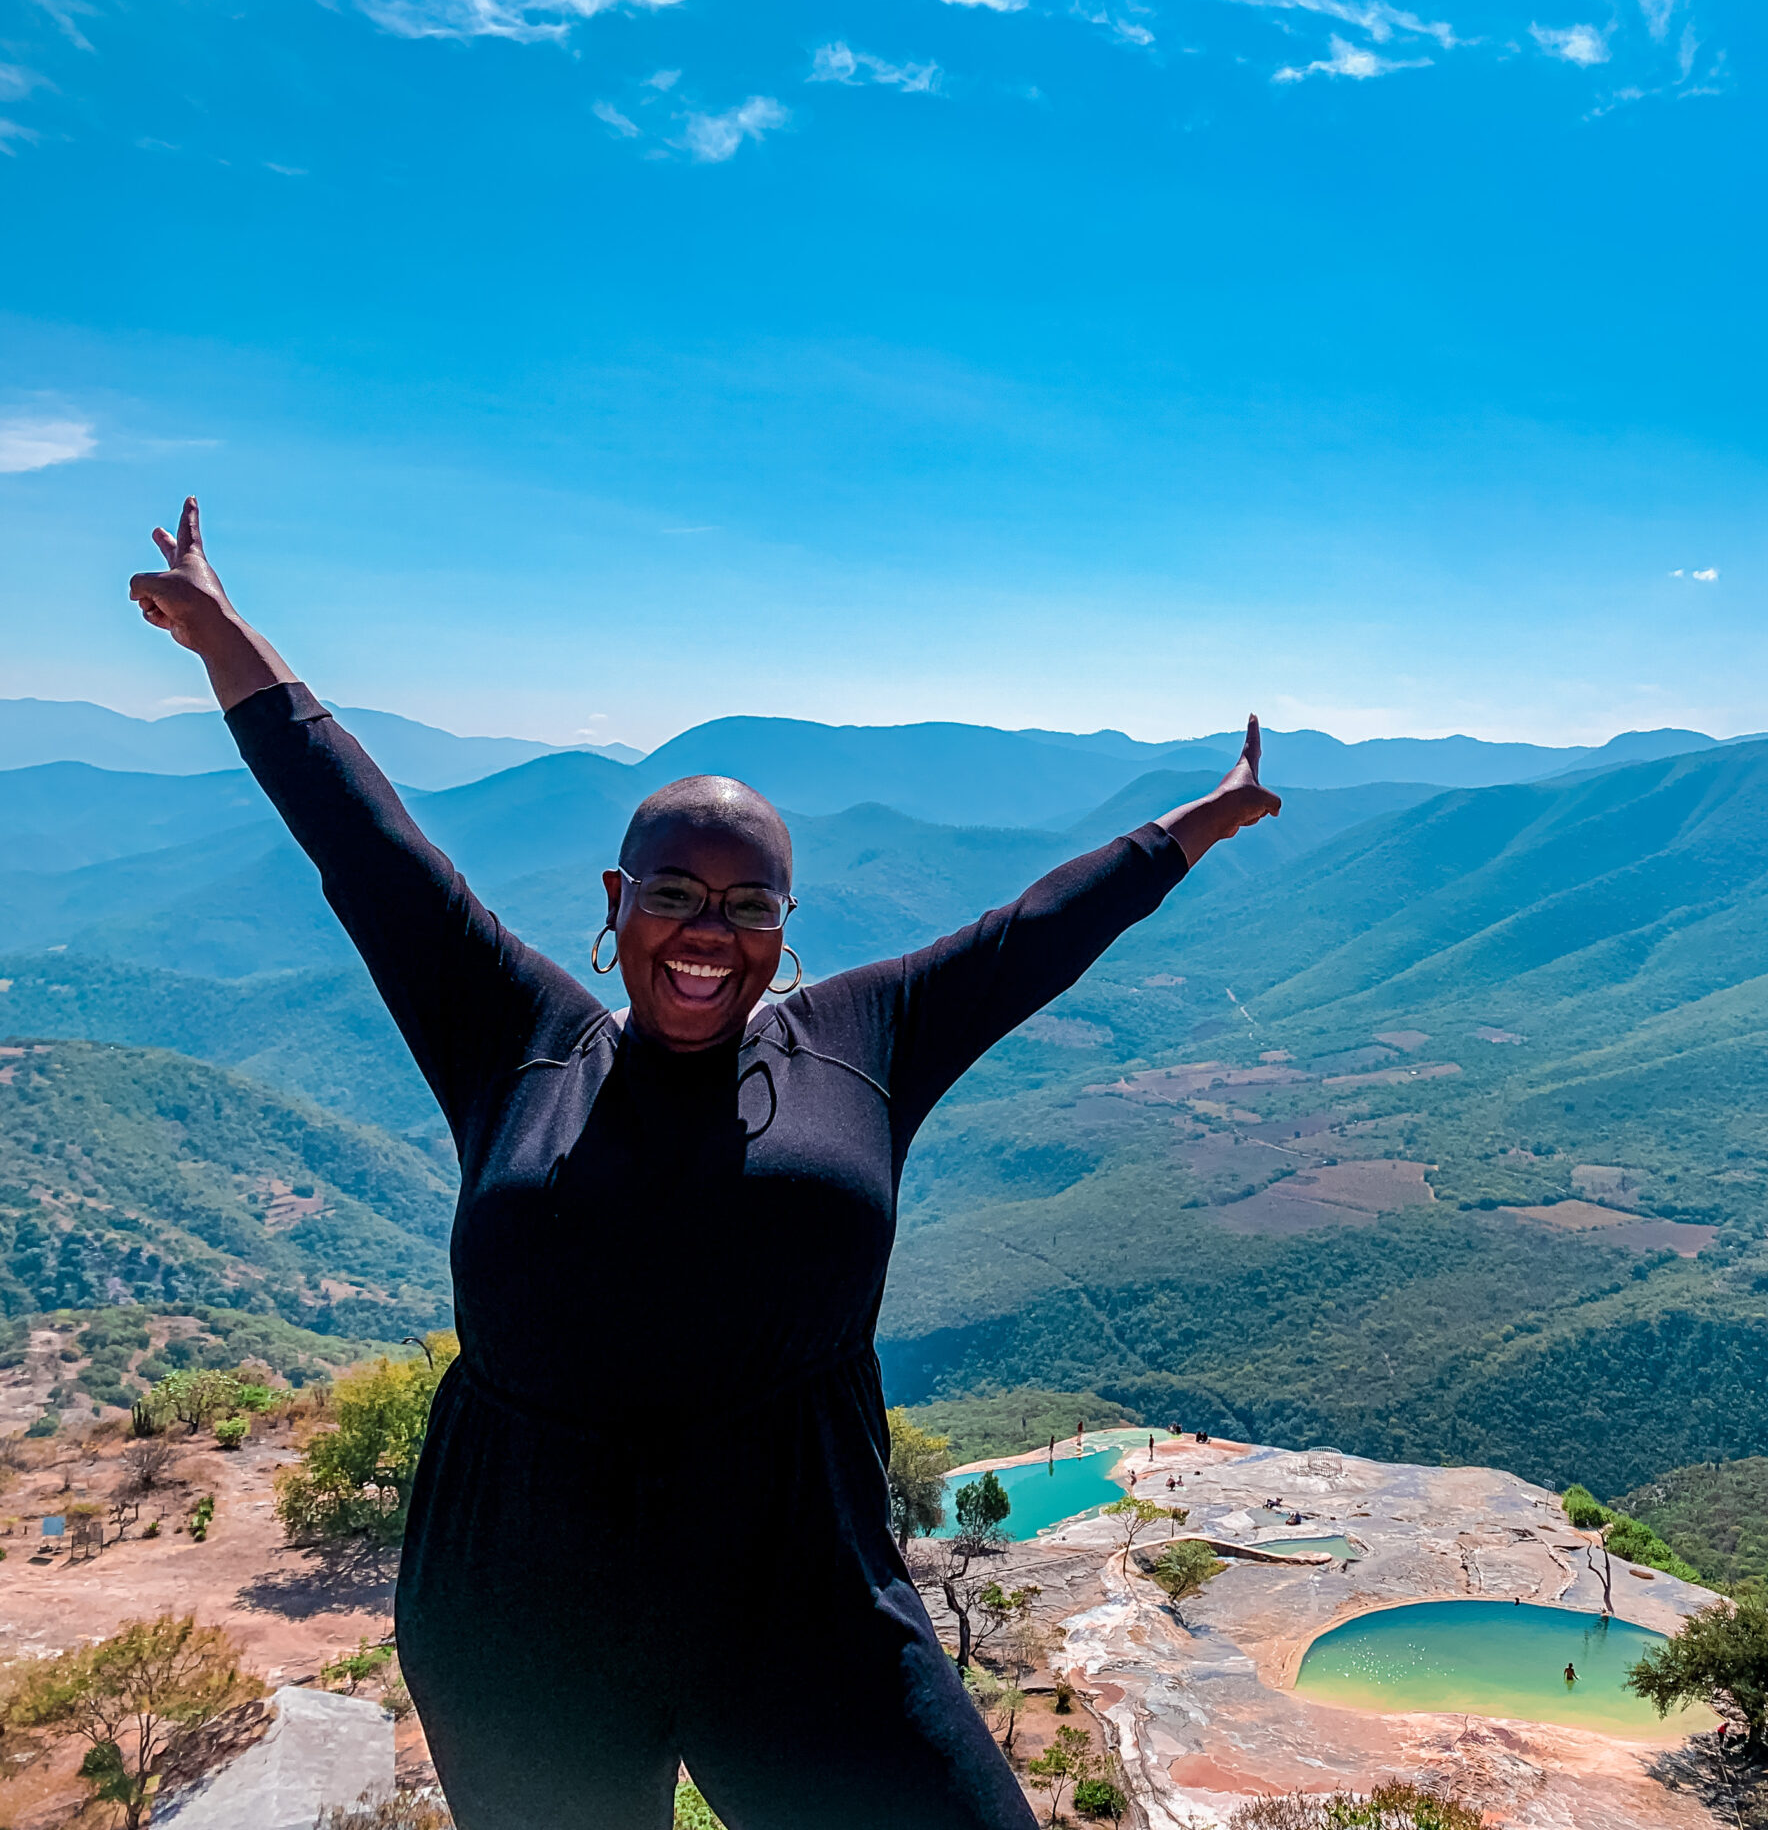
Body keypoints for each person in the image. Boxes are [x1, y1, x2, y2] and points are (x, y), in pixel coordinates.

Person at [126, 498, 1282, 1830]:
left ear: (786, 929)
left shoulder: (864, 1039)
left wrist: (1192, 829)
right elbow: (364, 843)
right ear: (617, 907)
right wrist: (226, 640)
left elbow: (1029, 936)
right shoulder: (514, 1033)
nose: (707, 928)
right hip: (522, 1606)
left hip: (802, 1591)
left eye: (749, 904)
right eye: (675, 889)